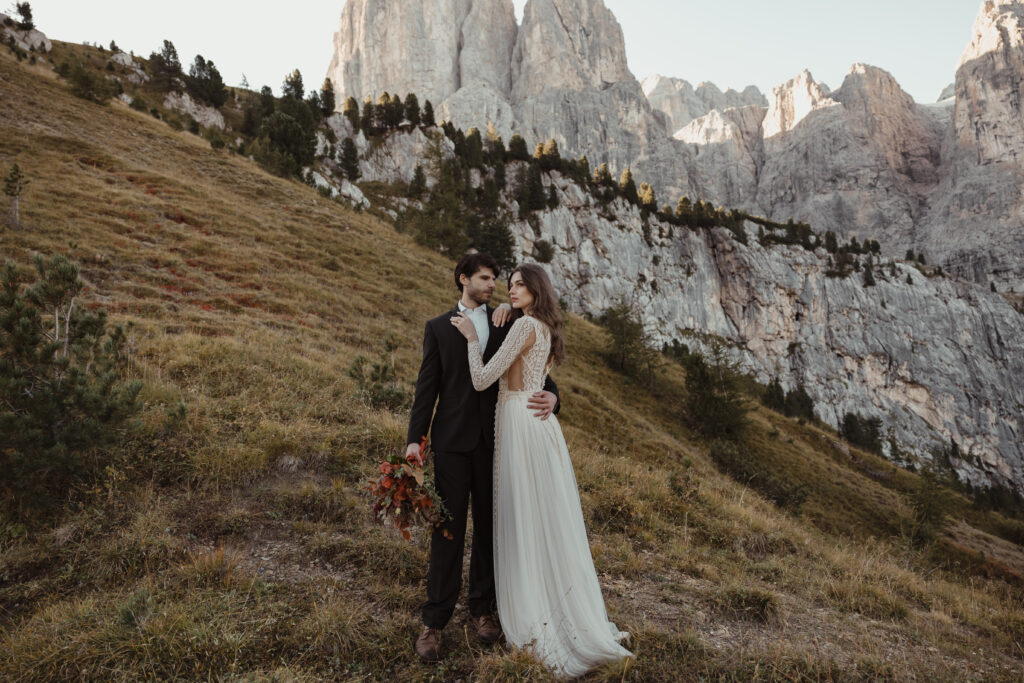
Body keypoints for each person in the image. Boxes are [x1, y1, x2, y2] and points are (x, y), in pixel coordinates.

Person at [451, 263, 633, 678]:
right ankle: (561, 605)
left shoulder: (523, 327)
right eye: (509, 285)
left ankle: (533, 613)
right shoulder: (545, 328)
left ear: (535, 289)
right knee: (546, 518)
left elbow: (482, 380)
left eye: (518, 285)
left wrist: (471, 338)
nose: (511, 291)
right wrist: (505, 312)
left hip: (518, 422)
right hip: (542, 429)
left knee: (521, 518)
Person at [406, 252, 560, 662]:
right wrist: (414, 440)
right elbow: (427, 388)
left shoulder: (506, 320)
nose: (493, 285)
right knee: (448, 531)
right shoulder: (438, 328)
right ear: (463, 280)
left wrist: (555, 396)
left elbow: (536, 368)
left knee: (493, 531)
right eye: (485, 278)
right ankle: (433, 622)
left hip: (498, 442)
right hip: (452, 443)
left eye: (497, 279)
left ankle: (482, 611)